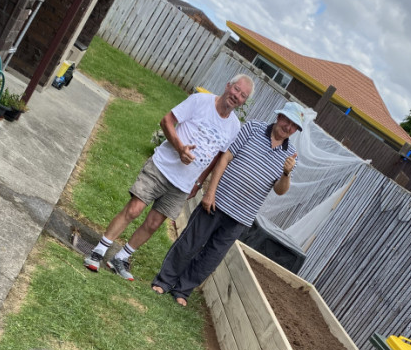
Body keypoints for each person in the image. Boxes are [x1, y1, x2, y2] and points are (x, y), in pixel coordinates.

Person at [84, 75, 254, 279]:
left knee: (154, 224)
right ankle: (99, 250)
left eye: (243, 95)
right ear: (228, 85)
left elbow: (217, 157)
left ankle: (121, 257)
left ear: (244, 101)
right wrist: (180, 148)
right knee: (134, 209)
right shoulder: (200, 101)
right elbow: (166, 121)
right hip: (162, 167)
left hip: (183, 184)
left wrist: (199, 182)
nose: (237, 96)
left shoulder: (234, 126)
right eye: (236, 89)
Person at [152, 101, 306, 306]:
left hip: (242, 216)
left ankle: (183, 289)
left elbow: (280, 190)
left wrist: (287, 173)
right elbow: (225, 157)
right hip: (218, 200)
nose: (288, 127)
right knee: (190, 242)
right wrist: (210, 192)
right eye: (287, 120)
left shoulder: (290, 155)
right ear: (279, 117)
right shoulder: (253, 128)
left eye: (294, 125)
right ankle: (165, 280)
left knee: (211, 257)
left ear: (295, 130)